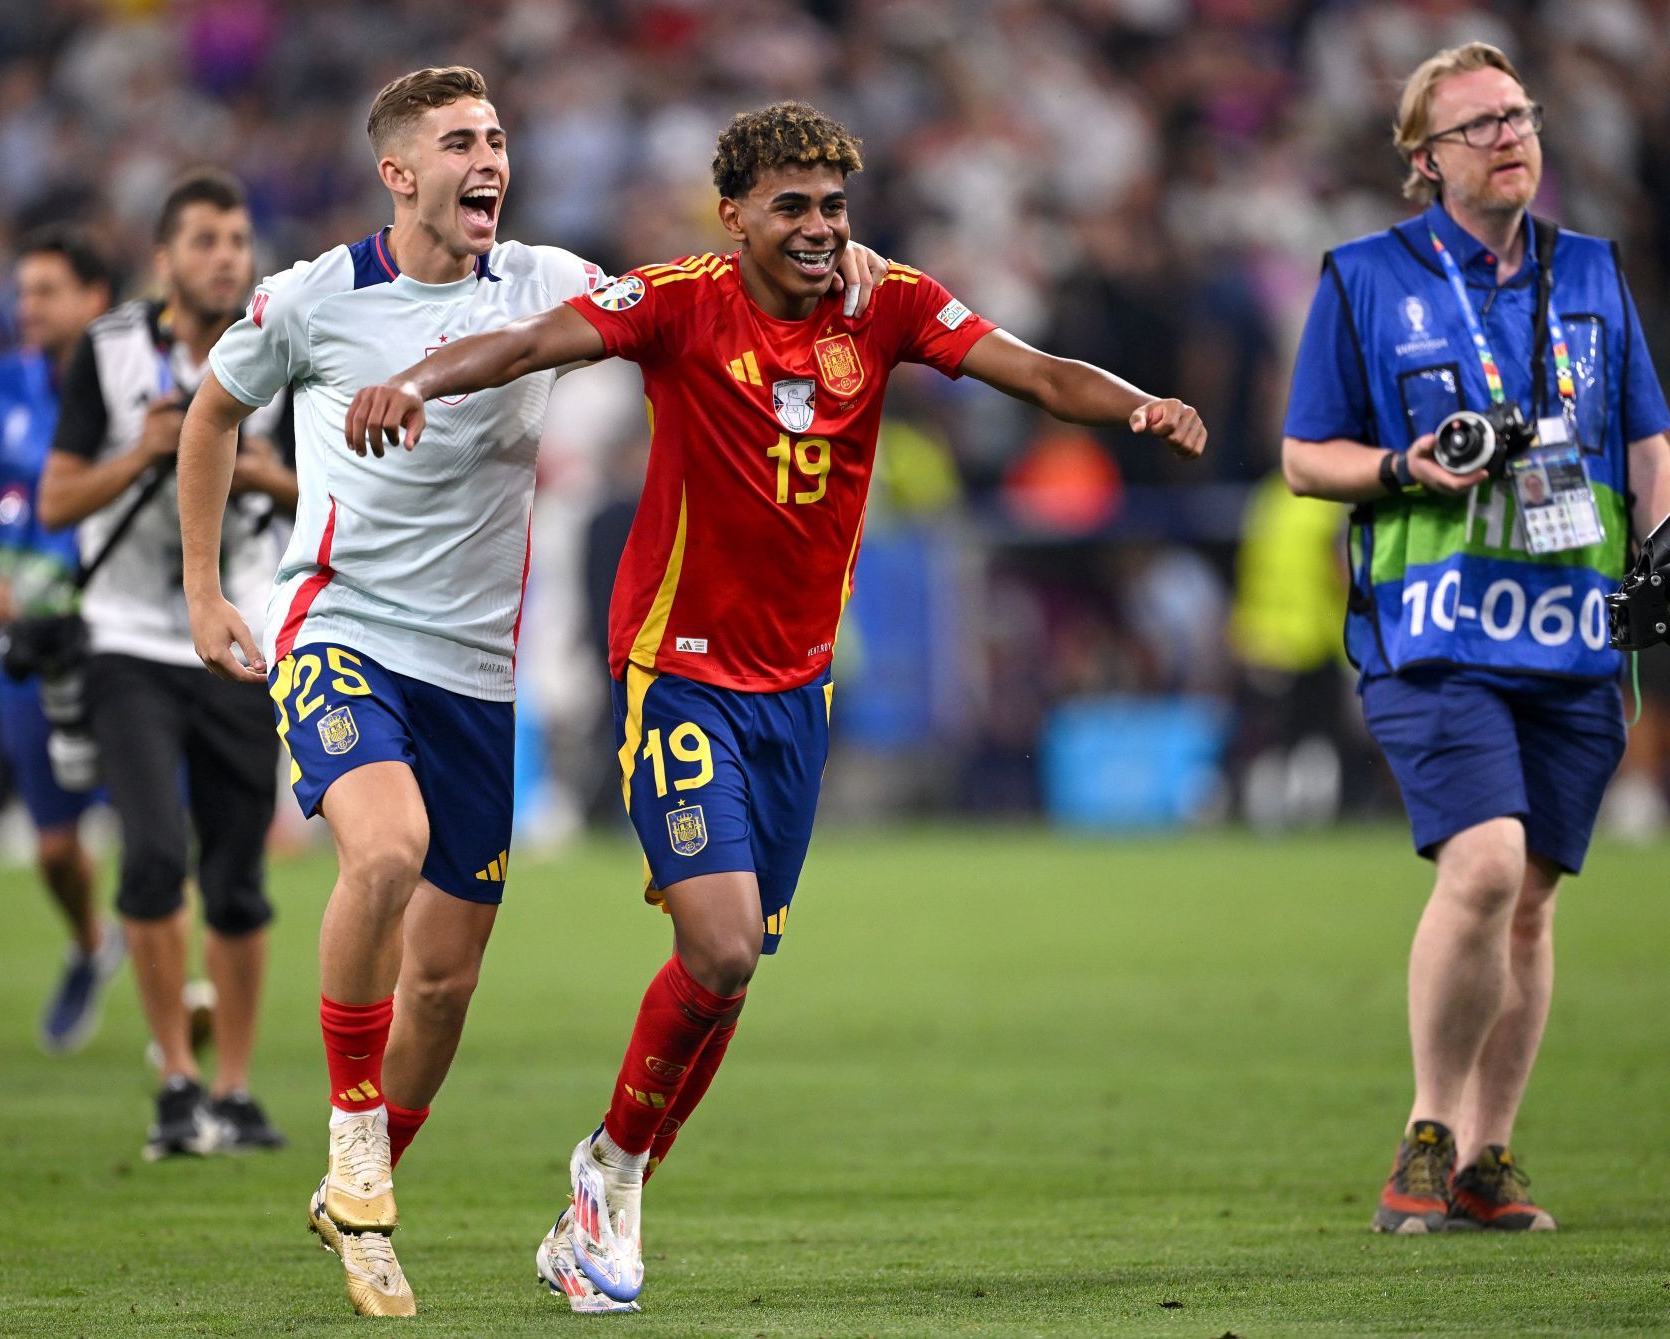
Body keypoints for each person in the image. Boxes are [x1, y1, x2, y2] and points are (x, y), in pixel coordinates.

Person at [344, 99, 1204, 1311]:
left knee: (729, 975)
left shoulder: (887, 298)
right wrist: (417, 379)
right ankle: (610, 1189)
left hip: (795, 689)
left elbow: (1032, 370)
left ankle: (613, 1167)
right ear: (734, 212)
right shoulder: (679, 299)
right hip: (677, 670)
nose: (819, 230)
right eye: (792, 207)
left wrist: (1134, 407)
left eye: (834, 208)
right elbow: (534, 343)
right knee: (722, 940)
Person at [180, 68, 889, 1318]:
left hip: (476, 673)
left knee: (446, 980)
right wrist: (202, 589)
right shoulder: (310, 300)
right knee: (384, 851)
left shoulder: (549, 279)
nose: (488, 156)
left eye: (498, 136)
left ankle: (365, 1195)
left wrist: (841, 251)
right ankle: (352, 1140)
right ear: (400, 173)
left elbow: (712, 279)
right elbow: (214, 411)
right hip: (340, 629)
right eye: (460, 140)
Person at [1281, 43, 1670, 1234]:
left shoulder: (1594, 272)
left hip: (1573, 630)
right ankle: (1429, 1133)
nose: (1511, 136)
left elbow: (1646, 433)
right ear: (1424, 162)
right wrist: (1405, 465)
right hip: (1433, 631)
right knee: (1488, 864)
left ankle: (1491, 1160)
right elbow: (1306, 458)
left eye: (1520, 116)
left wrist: (1661, 545)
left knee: (1535, 901)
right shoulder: (1362, 280)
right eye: (1480, 125)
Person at [38, 169, 297, 1160]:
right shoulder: (106, 354)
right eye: (204, 240)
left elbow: (332, 482)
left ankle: (231, 1089)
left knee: (237, 875)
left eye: (237, 238)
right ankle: (174, 1081)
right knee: (151, 854)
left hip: (243, 633)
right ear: (163, 259)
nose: (225, 255)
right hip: (130, 638)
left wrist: (252, 464)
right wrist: (145, 454)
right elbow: (59, 500)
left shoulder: (286, 342)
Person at [0, 225, 124, 1052]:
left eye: (45, 291)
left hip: (121, 643)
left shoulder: (137, 391)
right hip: (30, 654)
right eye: (23, 291)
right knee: (51, 846)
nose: (25, 307)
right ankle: (90, 943)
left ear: (95, 300)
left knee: (161, 838)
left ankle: (188, 1034)